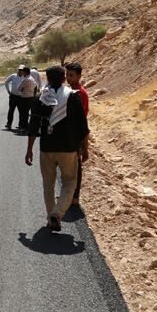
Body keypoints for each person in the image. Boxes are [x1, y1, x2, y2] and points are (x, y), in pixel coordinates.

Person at [24, 65, 89, 231]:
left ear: (48, 78)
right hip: (68, 148)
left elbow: (33, 126)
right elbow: (83, 126)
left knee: (48, 183)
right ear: (63, 79)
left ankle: (51, 217)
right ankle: (57, 213)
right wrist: (85, 148)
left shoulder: (40, 97)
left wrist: (29, 149)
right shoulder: (72, 97)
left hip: (47, 148)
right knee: (70, 182)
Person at [65, 62, 90, 206]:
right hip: (70, 132)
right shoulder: (71, 91)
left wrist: (84, 144)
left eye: (72, 75)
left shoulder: (79, 93)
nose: (69, 78)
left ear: (79, 76)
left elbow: (82, 118)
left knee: (76, 166)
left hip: (77, 133)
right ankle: (69, 194)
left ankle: (75, 197)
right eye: (67, 75)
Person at [16, 66, 37, 131]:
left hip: (25, 98)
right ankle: (27, 126)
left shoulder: (25, 80)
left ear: (24, 72)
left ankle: (24, 127)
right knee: (28, 113)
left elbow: (18, 89)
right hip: (31, 97)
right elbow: (35, 87)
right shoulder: (32, 79)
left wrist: (22, 89)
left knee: (23, 113)